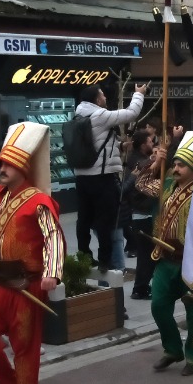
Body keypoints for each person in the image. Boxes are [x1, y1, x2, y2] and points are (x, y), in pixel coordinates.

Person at [0, 122, 65, 384]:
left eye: (9, 165)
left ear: (23, 168)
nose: (2, 168)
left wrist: (52, 272)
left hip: (25, 286)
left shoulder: (39, 201)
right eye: (1, 163)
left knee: (24, 351)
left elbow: (53, 236)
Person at [139, 130, 193, 376]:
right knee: (158, 305)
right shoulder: (166, 184)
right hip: (165, 259)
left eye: (181, 165)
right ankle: (172, 349)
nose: (176, 169)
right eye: (175, 164)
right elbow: (141, 184)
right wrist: (156, 162)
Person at [72, 82, 147, 276]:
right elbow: (131, 113)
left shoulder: (78, 115)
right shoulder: (100, 115)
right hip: (101, 177)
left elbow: (94, 144)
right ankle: (105, 260)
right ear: (97, 99)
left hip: (82, 177)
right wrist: (138, 94)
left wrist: (119, 146)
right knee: (105, 219)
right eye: (102, 95)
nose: (105, 98)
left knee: (84, 218)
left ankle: (84, 254)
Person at [121, 128, 159, 299]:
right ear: (143, 145)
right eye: (150, 141)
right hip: (141, 213)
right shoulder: (138, 162)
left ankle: (143, 286)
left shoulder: (138, 159)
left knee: (147, 254)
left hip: (142, 212)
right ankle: (140, 288)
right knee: (146, 254)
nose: (153, 143)